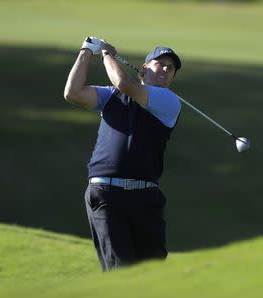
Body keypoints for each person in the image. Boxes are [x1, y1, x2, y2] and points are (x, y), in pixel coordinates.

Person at [63, 37, 182, 271]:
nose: (166, 70)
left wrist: (107, 53)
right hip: (106, 196)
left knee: (153, 272)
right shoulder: (110, 96)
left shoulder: (168, 101)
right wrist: (87, 50)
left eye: (171, 68)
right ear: (145, 68)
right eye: (161, 64)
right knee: (120, 271)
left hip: (145, 198)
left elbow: (123, 82)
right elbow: (73, 93)